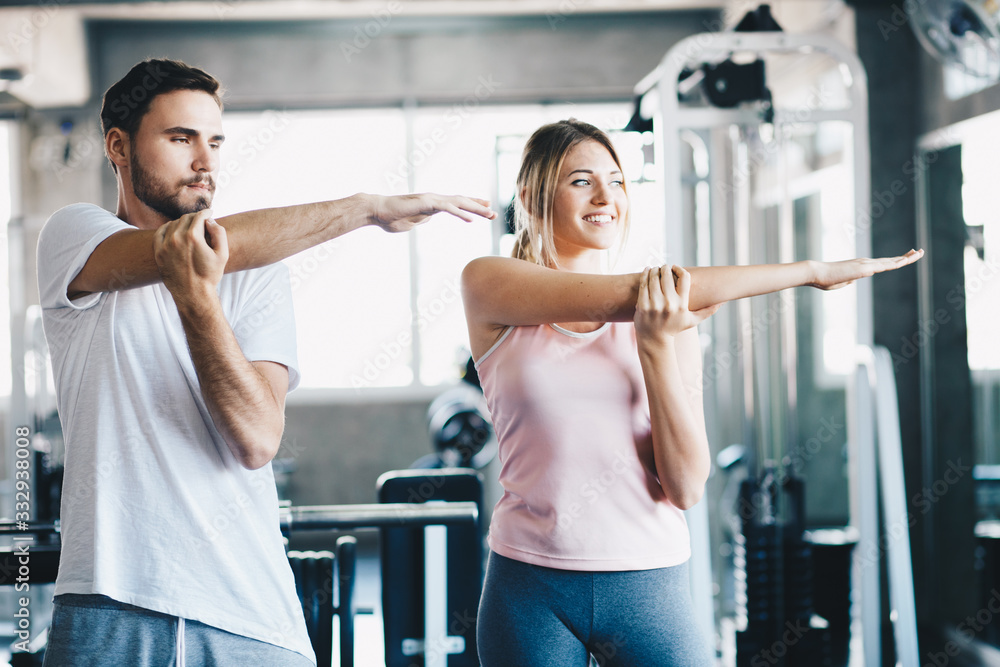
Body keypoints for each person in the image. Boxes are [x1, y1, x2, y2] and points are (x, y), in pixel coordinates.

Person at [36, 58, 494, 666]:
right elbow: (184, 248)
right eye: (180, 138)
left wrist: (199, 299)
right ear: (118, 146)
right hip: (109, 605)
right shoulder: (75, 238)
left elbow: (255, 439)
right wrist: (365, 209)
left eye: (215, 140)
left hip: (248, 613)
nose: (206, 161)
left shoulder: (258, 276)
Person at [461, 118, 922, 666]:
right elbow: (626, 293)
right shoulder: (488, 284)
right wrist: (811, 270)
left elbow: (684, 487)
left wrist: (656, 346)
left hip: (648, 584)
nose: (607, 196)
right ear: (532, 196)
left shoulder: (666, 317)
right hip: (529, 585)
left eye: (618, 180)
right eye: (582, 181)